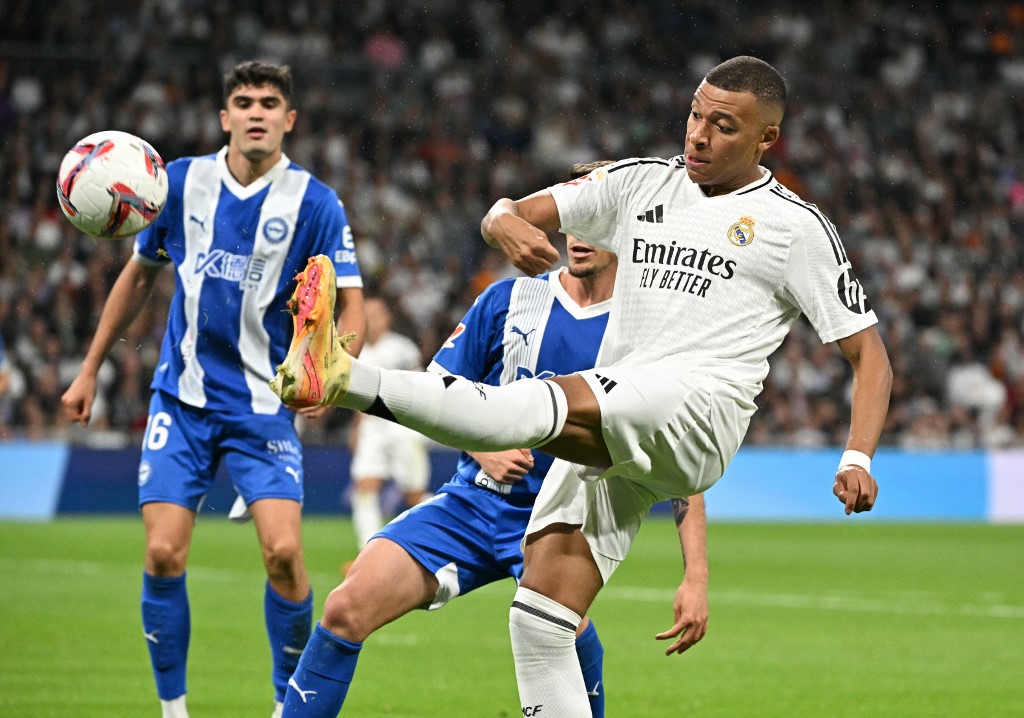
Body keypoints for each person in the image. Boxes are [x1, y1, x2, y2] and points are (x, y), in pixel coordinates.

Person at [272, 56, 892, 715]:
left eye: (723, 125)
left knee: (544, 402)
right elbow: (523, 209)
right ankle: (339, 376)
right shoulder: (641, 185)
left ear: (767, 138)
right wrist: (501, 217)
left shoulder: (794, 228)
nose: (699, 135)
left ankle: (339, 376)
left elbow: (869, 352)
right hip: (621, 415)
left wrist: (857, 454)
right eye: (694, 115)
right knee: (540, 620)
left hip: (700, 412)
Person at [278, 168, 710, 715]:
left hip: (562, 521)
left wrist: (695, 576)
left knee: (565, 635)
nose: (577, 234)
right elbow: (433, 394)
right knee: (345, 607)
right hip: (472, 502)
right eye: (570, 220)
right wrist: (483, 445)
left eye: (595, 220)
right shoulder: (509, 300)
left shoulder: (646, 335)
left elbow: (681, 462)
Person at [61, 60, 366, 718]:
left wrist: (328, 370)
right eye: (244, 101)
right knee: (164, 550)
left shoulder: (315, 202)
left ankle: (289, 703)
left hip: (262, 409)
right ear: (225, 116)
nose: (256, 112)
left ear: (290, 119)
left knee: (285, 555)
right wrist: (88, 368)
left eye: (270, 102)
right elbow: (139, 276)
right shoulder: (179, 183)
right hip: (183, 401)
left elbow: (354, 312)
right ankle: (175, 711)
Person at [347, 296, 430, 547]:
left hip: (402, 427)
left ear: (387, 319)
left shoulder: (402, 349)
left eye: (375, 316)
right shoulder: (356, 351)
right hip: (372, 430)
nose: (370, 322)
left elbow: (423, 389)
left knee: (413, 495)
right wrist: (356, 430)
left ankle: (443, 537)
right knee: (364, 486)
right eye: (366, 316)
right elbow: (358, 397)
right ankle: (368, 550)